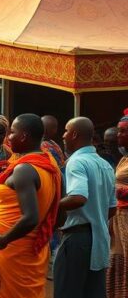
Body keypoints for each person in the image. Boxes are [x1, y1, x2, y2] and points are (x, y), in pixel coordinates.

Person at [0, 113, 61, 298]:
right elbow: (57, 212)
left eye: (12, 133)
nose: (8, 138)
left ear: (23, 136)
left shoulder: (25, 169)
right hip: (25, 249)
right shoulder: (49, 164)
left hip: (11, 251)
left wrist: (2, 239)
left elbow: (31, 217)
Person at [55, 117, 116, 298]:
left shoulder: (76, 162)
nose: (63, 136)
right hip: (99, 239)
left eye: (66, 131)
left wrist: (51, 205)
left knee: (67, 292)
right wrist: (96, 217)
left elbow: (78, 197)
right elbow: (112, 209)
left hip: (77, 239)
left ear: (74, 134)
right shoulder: (105, 165)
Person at [109, 115, 128, 298]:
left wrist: (115, 190)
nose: (118, 135)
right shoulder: (124, 158)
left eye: (123, 131)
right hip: (119, 219)